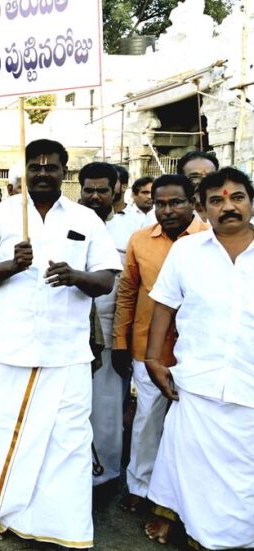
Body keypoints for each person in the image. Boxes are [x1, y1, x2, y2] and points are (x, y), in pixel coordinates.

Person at [0, 140, 121, 547]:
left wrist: (74, 276)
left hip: (64, 353)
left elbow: (104, 280)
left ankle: (56, 525)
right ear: (24, 170)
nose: (43, 172)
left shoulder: (86, 218)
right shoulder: (1, 214)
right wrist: (13, 265)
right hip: (4, 349)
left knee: (65, 442)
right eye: (36, 165)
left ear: (65, 171)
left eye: (52, 166)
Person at [143, 167, 254, 550]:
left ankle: (231, 537)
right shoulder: (188, 251)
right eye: (217, 201)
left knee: (243, 475)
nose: (229, 207)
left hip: (249, 384)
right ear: (202, 210)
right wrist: (153, 359)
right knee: (190, 463)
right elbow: (164, 307)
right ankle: (195, 527)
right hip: (198, 378)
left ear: (251, 202)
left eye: (237, 197)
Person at [111, 174, 207, 518]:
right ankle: (140, 486)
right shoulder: (140, 240)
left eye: (175, 202)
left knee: (190, 427)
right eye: (159, 204)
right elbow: (127, 293)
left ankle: (182, 498)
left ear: (193, 201)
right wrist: (119, 341)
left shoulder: (209, 240)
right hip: (146, 346)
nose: (166, 210)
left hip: (196, 349)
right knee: (147, 420)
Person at [76, 162, 125, 490]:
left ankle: (103, 475)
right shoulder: (69, 223)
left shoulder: (132, 228)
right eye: (88, 190)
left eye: (102, 190)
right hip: (72, 332)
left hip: (110, 334)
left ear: (116, 190)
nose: (95, 196)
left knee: (106, 411)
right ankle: (73, 473)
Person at [110, 176, 156, 256]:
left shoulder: (160, 217)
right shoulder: (121, 216)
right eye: (145, 192)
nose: (150, 197)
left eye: (152, 193)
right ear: (133, 195)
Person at [177, 151, 219, 221]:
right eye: (195, 177)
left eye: (210, 176)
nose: (203, 182)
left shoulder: (228, 211)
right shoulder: (167, 215)